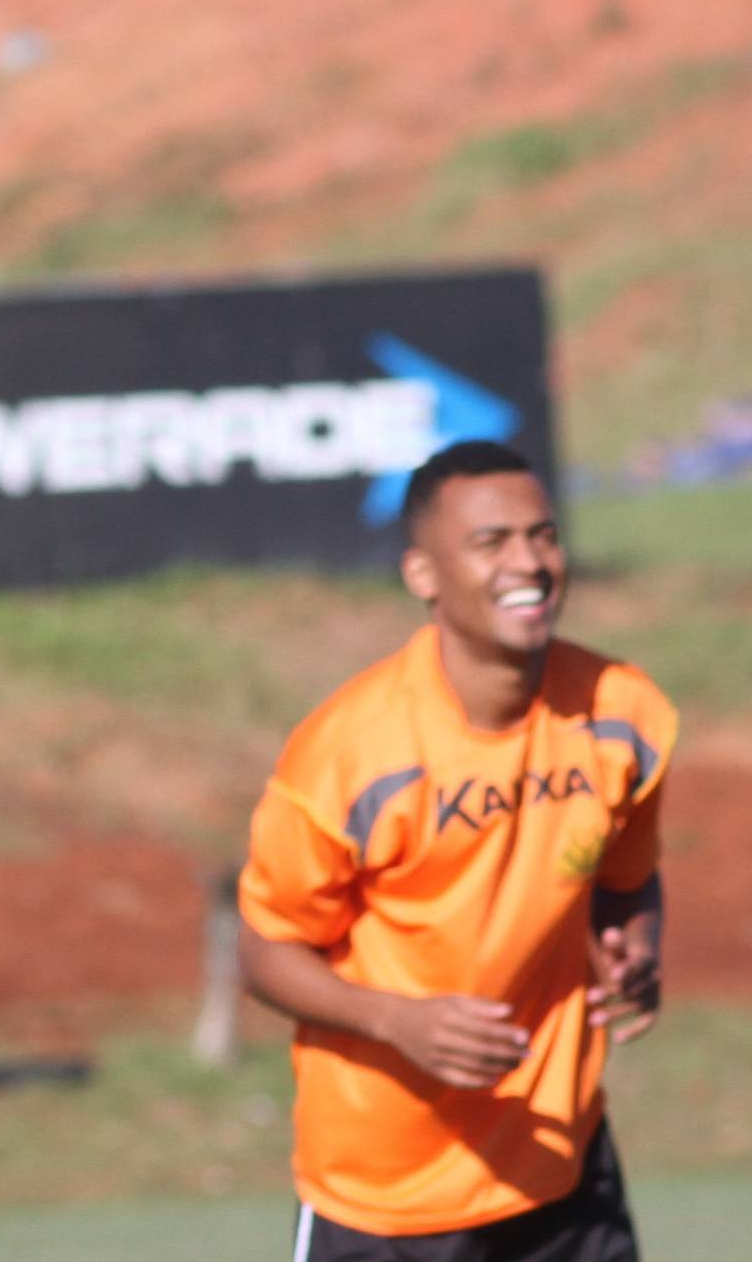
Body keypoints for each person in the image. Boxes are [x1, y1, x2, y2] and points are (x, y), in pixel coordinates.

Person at [237, 440, 674, 1262]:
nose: (529, 562)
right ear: (422, 574)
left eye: (543, 535)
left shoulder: (624, 714)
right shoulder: (352, 754)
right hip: (384, 1194)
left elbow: (628, 881)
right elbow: (264, 951)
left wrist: (638, 949)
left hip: (561, 1169)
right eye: (490, 542)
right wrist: (397, 1019)